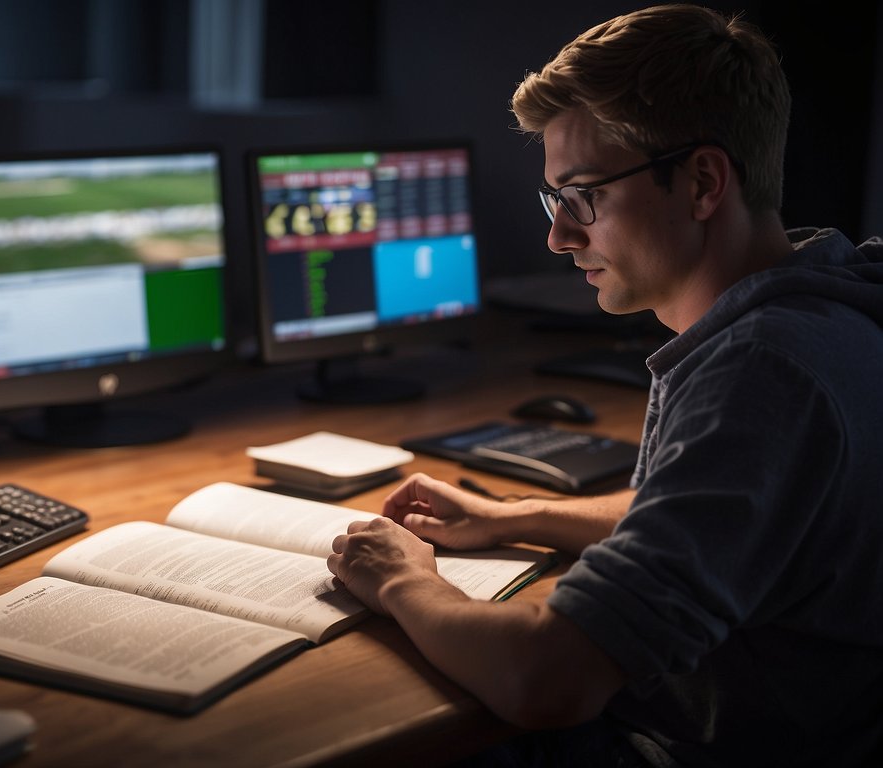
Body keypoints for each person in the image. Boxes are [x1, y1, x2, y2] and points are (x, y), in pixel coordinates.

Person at [326, 4, 883, 766]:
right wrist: (510, 516)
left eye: (583, 194)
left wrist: (403, 582)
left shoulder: (763, 372)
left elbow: (548, 678)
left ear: (702, 181)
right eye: (555, 200)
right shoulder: (834, 302)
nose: (560, 235)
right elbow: (717, 507)